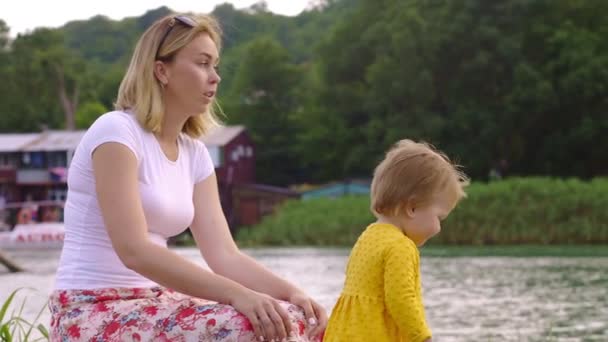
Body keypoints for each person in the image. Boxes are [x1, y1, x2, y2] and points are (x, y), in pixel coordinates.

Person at [49, 13, 326, 342]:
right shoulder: (116, 132)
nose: (215, 77)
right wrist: (238, 295)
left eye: (215, 66)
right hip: (90, 306)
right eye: (203, 63)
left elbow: (225, 255)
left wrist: (292, 293)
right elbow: (133, 249)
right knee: (246, 326)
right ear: (161, 70)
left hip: (151, 301)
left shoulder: (194, 154)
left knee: (294, 320)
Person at [323, 139, 469, 342]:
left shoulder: (368, 236)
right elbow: (401, 299)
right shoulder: (401, 246)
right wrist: (422, 338)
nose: (438, 228)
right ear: (412, 208)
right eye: (439, 217)